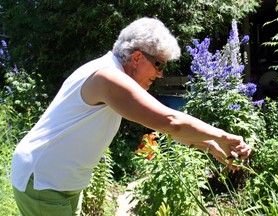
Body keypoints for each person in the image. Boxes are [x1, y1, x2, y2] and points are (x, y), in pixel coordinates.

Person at [11, 17, 251, 216]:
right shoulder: (107, 78)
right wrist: (222, 136)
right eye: (158, 64)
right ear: (137, 57)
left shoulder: (110, 74)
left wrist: (210, 146)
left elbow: (167, 127)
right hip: (44, 181)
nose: (159, 74)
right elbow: (171, 121)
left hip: (60, 181)